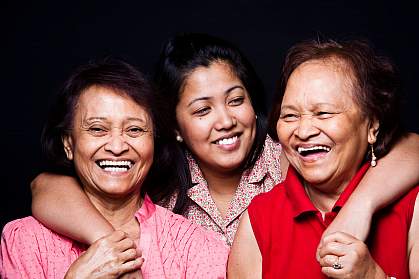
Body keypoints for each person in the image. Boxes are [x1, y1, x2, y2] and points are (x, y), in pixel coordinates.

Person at [30, 33, 419, 248]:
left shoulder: (290, 155)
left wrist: (363, 205)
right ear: (176, 127)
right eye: (202, 111)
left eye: (236, 100)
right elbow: (45, 188)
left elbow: (409, 147)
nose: (226, 121)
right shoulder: (158, 177)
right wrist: (105, 241)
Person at [0, 59, 228, 279]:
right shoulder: (27, 240)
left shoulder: (195, 248)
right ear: (69, 144)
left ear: (154, 144)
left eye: (135, 130)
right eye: (98, 129)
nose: (117, 147)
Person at [228, 39, 419, 278]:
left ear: (371, 126)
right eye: (289, 115)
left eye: (323, 113)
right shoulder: (260, 220)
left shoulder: (413, 207)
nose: (303, 130)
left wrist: (372, 276)